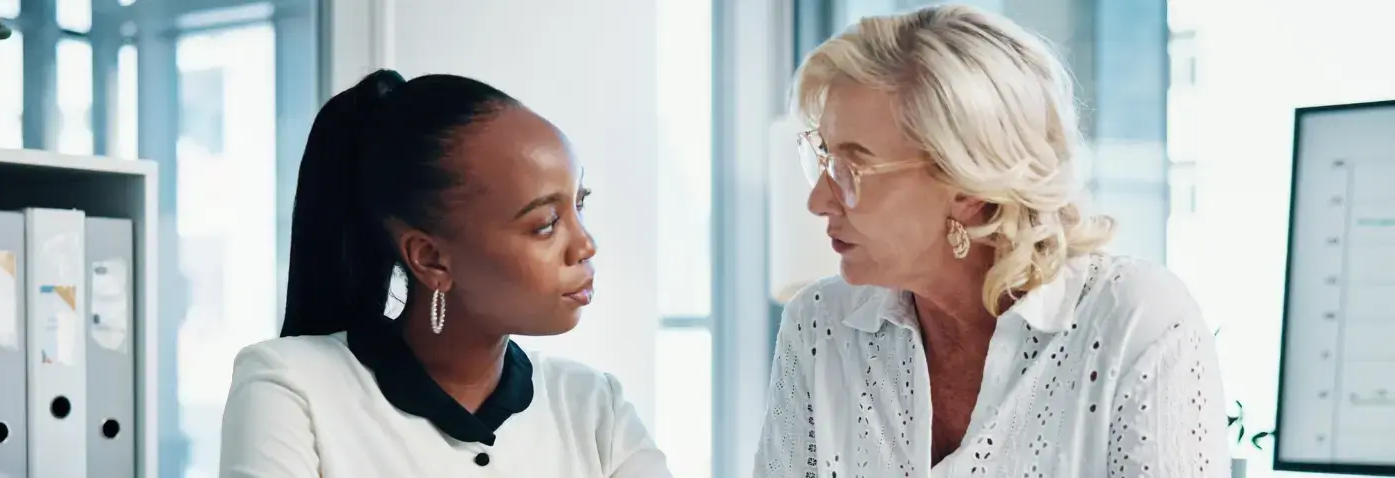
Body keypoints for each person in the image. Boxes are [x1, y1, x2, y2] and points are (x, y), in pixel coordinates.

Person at [755, 5, 1228, 477]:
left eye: (852, 167)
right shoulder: (820, 326)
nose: (818, 200)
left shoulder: (1136, 322)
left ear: (966, 186)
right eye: (823, 157)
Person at [219, 69, 672, 478]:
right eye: (546, 224)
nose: (585, 245)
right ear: (431, 259)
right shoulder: (289, 387)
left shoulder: (595, 406)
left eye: (579, 204)